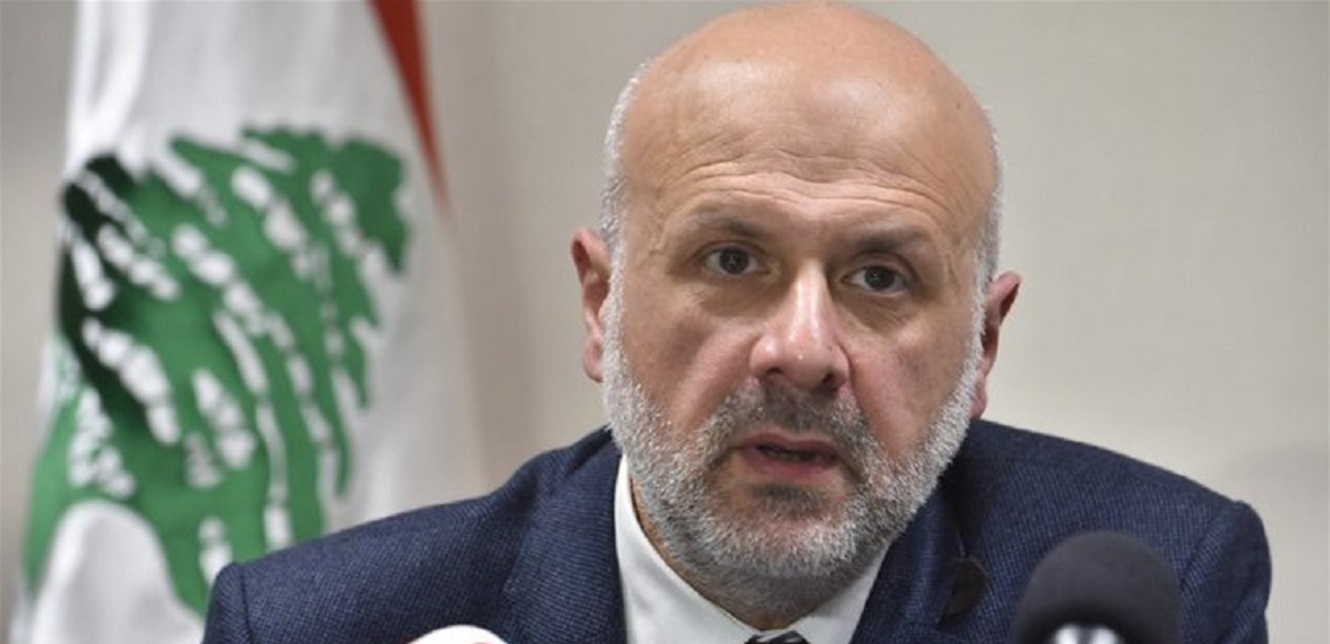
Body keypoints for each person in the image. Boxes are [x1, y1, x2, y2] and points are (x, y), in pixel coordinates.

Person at [202, 4, 1270, 642]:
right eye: (731, 260)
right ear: (602, 303)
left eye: (881, 277)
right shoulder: (321, 626)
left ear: (981, 348)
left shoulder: (1160, 591)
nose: (800, 351)